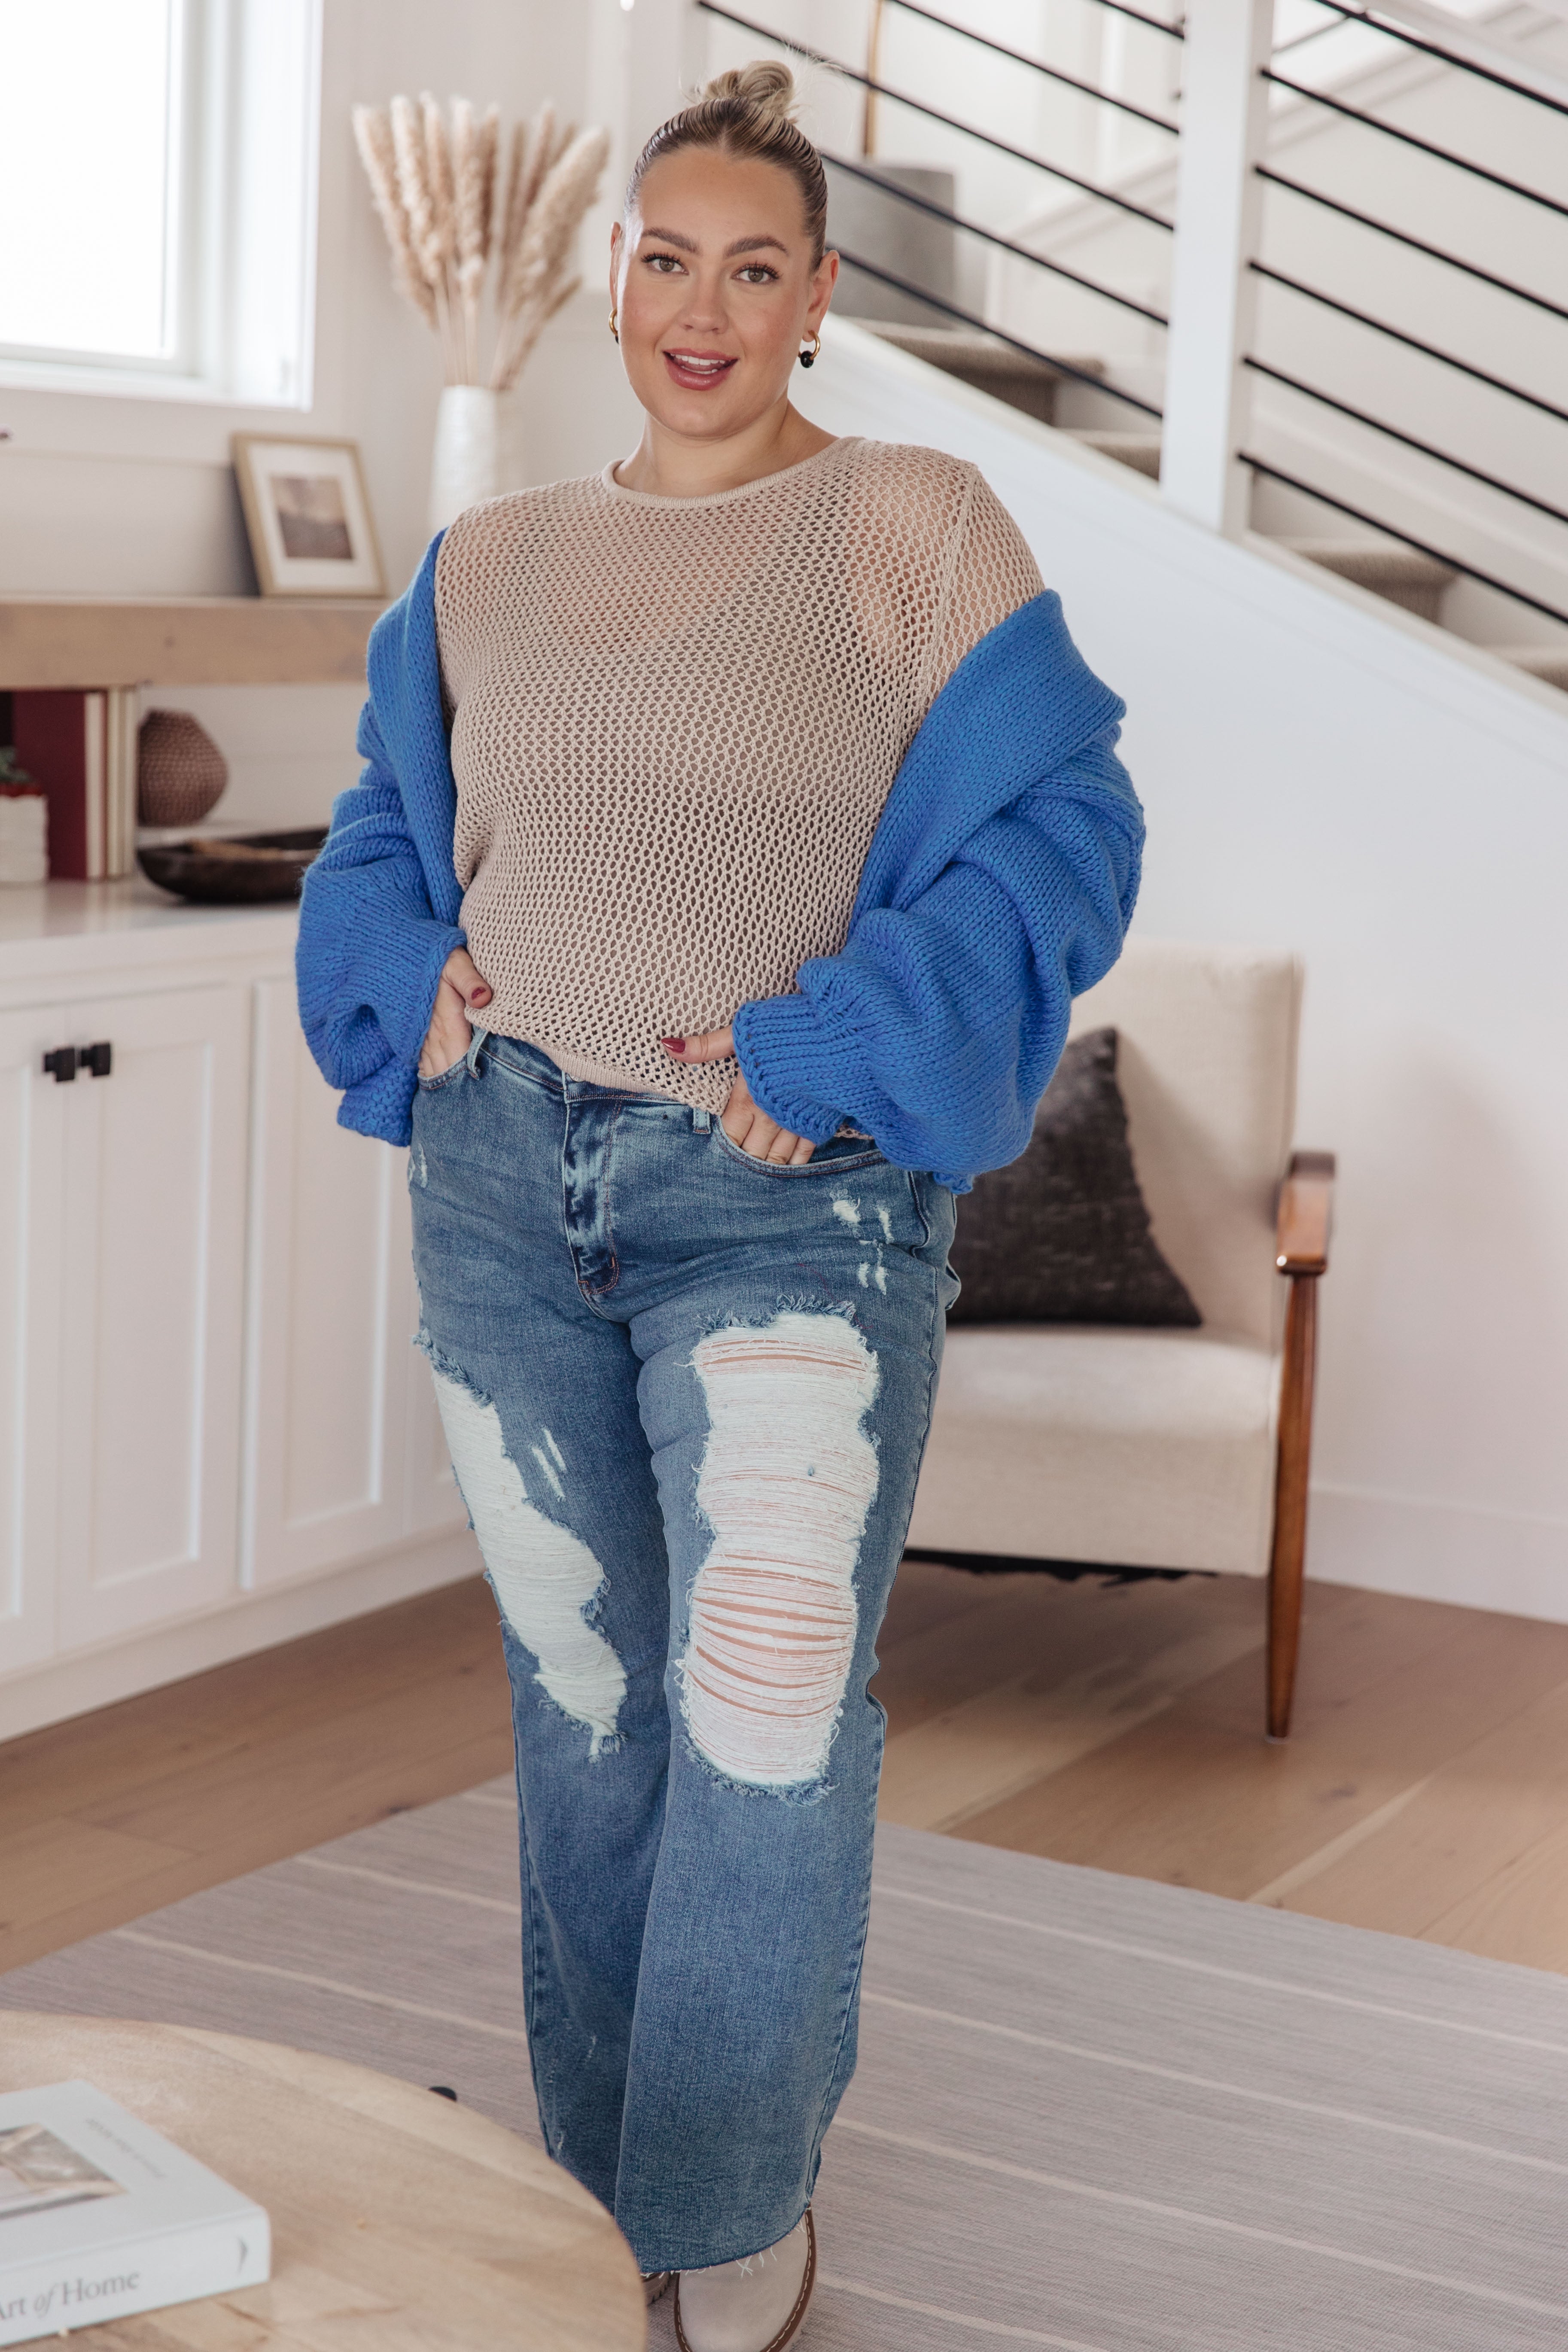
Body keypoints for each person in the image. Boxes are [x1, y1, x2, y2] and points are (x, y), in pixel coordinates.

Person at [297, 59, 1142, 2352]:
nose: (699, 303)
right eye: (663, 257)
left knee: (763, 1701)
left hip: (784, 1208)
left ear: (813, 297)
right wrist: (409, 975)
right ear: (610, 283)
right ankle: (604, 2196)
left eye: (750, 265)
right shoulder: (492, 560)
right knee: (587, 1708)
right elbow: (383, 828)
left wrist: (828, 1048)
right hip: (501, 1181)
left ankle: (728, 2191)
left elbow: (1061, 848)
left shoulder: (916, 523)